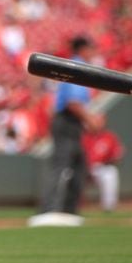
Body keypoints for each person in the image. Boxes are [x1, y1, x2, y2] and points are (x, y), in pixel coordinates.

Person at [28, 36, 104, 227]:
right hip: (67, 121)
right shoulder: (77, 67)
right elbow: (73, 103)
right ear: (83, 49)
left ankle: (68, 211)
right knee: (61, 166)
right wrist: (91, 120)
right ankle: (47, 211)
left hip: (70, 122)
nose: (94, 53)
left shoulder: (77, 66)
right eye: (91, 48)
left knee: (78, 165)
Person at [82, 120, 124, 212]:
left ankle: (108, 207)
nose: (96, 124)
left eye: (99, 121)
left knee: (111, 172)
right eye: (95, 122)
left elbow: (117, 156)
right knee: (67, 174)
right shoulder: (83, 137)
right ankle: (69, 206)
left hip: (101, 168)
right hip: (83, 167)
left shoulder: (109, 137)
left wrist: (109, 161)